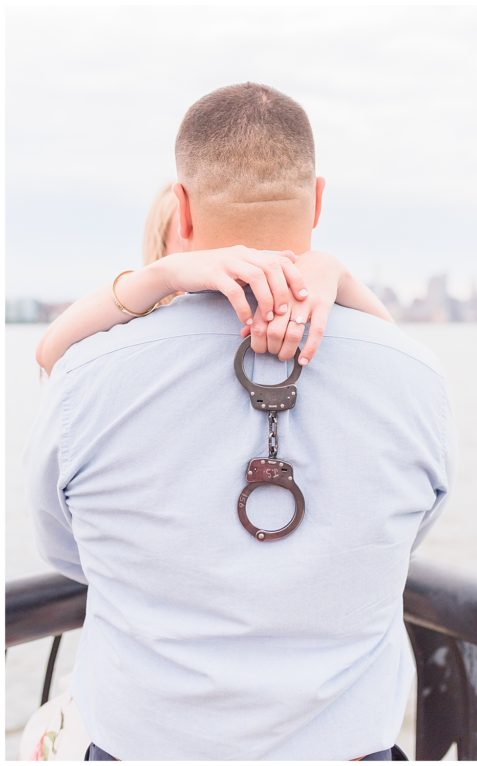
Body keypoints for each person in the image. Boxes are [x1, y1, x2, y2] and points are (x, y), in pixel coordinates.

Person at [25, 82, 453, 760]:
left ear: (183, 207)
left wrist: (157, 278)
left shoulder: (85, 377)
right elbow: (412, 530)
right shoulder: (415, 375)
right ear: (317, 202)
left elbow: (63, 551)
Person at [35, 187, 393, 376]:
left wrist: (336, 273)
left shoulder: (280, 303)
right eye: (187, 249)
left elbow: (393, 347)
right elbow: (49, 353)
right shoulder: (129, 331)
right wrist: (162, 275)